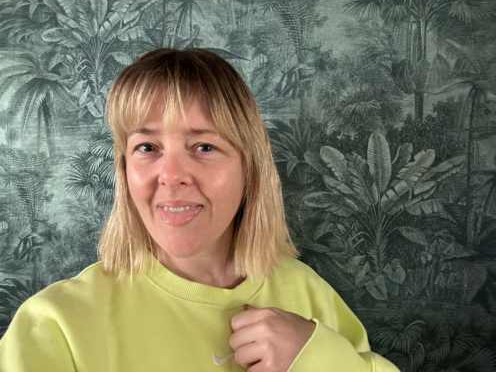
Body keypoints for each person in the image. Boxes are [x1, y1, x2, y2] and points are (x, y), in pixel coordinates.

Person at [0, 48, 398, 371]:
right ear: (124, 169)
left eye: (204, 147)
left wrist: (317, 360)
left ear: (250, 166)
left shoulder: (308, 293)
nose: (170, 177)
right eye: (147, 148)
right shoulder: (54, 327)